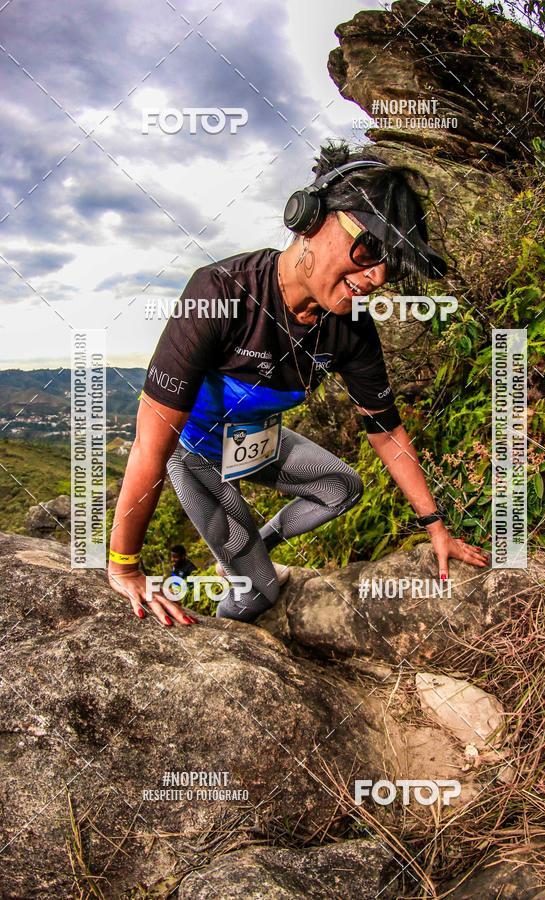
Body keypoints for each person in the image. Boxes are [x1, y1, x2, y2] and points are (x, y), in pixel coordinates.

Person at [108, 140, 490, 627]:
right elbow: (151, 442)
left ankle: (249, 552)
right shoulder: (222, 291)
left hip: (255, 440)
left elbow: (386, 431)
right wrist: (125, 566)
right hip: (196, 454)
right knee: (258, 594)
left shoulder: (350, 326)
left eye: (389, 262)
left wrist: (435, 526)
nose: (376, 276)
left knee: (341, 486)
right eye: (368, 246)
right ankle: (240, 597)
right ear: (311, 217)